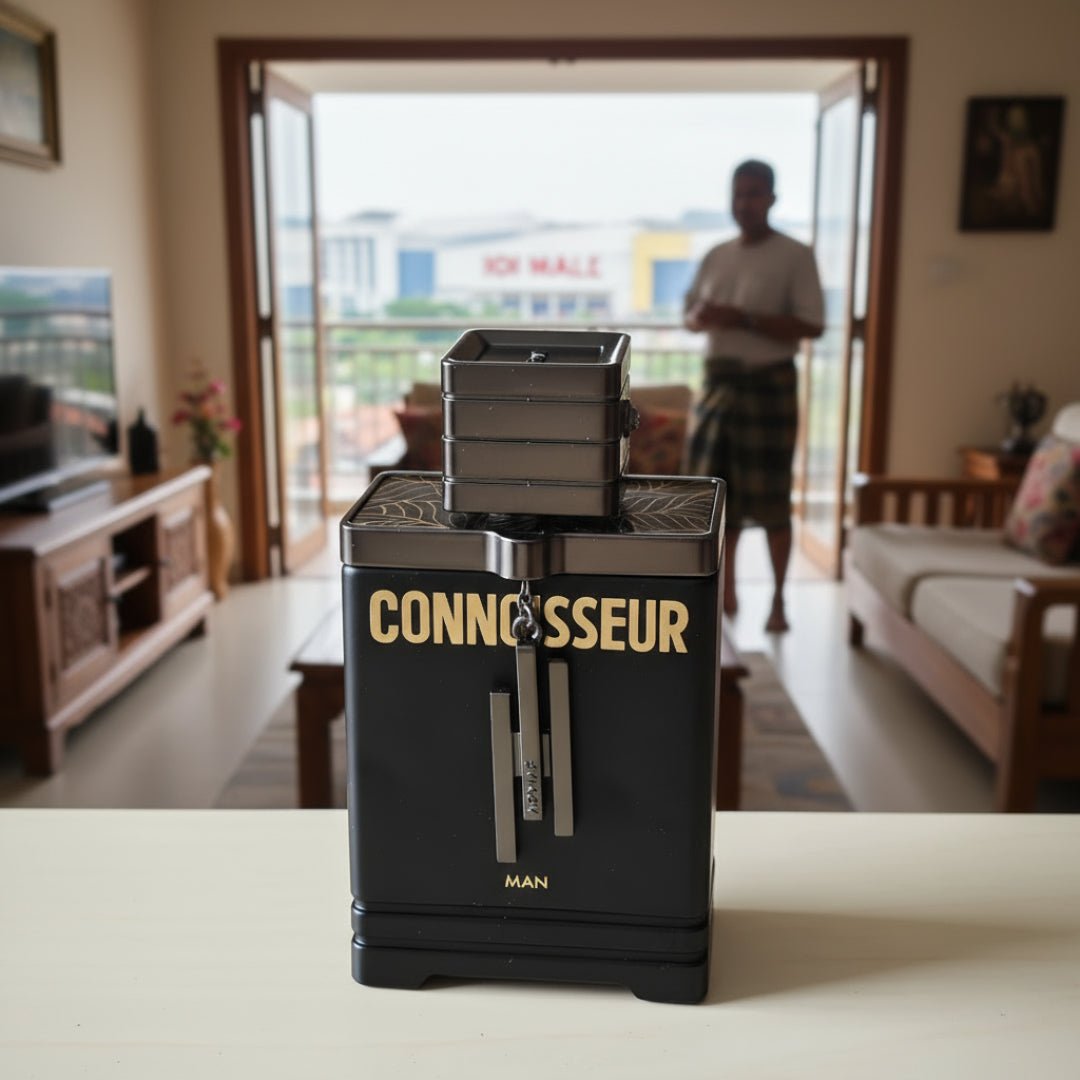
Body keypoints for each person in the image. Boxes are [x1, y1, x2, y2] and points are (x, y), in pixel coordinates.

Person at [684, 159, 825, 633]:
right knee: (718, 496)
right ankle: (727, 594)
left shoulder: (795, 255)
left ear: (772, 198)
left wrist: (741, 318)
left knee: (771, 499)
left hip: (768, 387)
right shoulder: (716, 254)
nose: (744, 202)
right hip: (718, 384)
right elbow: (689, 313)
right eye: (738, 193)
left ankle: (780, 602)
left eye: (754, 193)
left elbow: (813, 325)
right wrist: (703, 316)